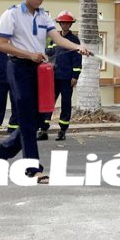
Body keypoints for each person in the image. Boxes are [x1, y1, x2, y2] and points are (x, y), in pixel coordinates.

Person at [0, 0, 91, 184]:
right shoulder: (11, 14)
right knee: (27, 117)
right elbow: (1, 44)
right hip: (19, 68)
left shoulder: (44, 16)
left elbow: (57, 39)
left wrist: (77, 47)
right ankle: (33, 169)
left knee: (41, 115)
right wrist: (28, 55)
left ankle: (4, 150)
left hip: (40, 69)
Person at [41, 10, 82, 141]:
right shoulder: (55, 38)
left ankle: (62, 131)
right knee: (49, 103)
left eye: (67, 23)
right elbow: (50, 53)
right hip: (53, 77)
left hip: (67, 78)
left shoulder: (74, 40)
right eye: (63, 23)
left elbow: (77, 60)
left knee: (65, 104)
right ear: (59, 24)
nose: (65, 25)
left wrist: (75, 76)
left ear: (70, 25)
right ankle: (43, 129)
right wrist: (47, 51)